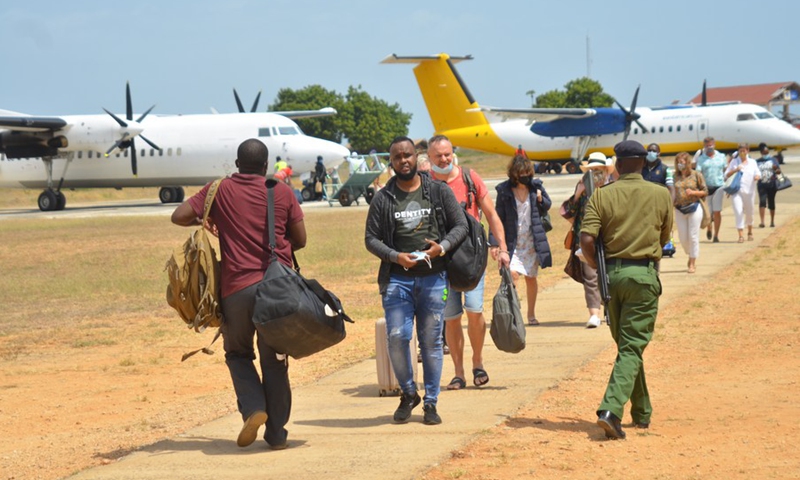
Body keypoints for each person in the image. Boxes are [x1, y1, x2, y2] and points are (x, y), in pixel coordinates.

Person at [170, 139, 306, 450]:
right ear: (265, 165)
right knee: (275, 361)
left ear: (236, 163)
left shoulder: (219, 190)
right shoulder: (281, 191)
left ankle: (254, 406)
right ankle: (277, 433)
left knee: (238, 354)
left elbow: (178, 216)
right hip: (277, 292)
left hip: (236, 291)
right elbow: (301, 240)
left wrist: (209, 219)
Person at [365, 136, 468, 425]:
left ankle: (431, 402)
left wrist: (443, 247)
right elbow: (370, 239)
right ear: (392, 162)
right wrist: (395, 256)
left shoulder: (437, 191)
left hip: (435, 278)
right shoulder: (383, 198)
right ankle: (409, 393)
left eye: (408, 155)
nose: (404, 161)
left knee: (432, 342)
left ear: (416, 155)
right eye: (397, 157)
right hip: (398, 280)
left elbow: (460, 225)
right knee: (397, 337)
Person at [579, 140, 673, 440]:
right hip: (643, 275)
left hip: (612, 278)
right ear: (644, 163)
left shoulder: (601, 196)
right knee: (632, 346)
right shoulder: (660, 194)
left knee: (627, 346)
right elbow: (665, 234)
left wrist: (598, 267)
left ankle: (642, 411)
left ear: (617, 165)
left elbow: (586, 240)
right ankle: (611, 410)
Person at [427, 135, 510, 390]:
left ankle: (478, 362)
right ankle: (459, 373)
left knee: (475, 310)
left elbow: (491, 214)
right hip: (442, 261)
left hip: (472, 256)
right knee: (451, 318)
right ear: (429, 158)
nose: (444, 159)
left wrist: (502, 248)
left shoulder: (469, 178)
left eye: (447, 154)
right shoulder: (425, 184)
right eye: (439, 156)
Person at [494, 155, 552, 326]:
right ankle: (514, 311)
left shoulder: (536, 187)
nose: (526, 176)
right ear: (514, 174)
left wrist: (541, 198)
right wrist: (495, 243)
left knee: (531, 278)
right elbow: (498, 217)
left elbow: (547, 205)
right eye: (522, 173)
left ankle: (531, 314)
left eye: (528, 173)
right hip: (513, 241)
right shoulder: (504, 191)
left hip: (531, 240)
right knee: (512, 275)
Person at [561, 152, 612, 328]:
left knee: (609, 274)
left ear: (606, 171)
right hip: (586, 237)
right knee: (590, 277)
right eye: (591, 170)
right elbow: (570, 212)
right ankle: (594, 314)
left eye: (598, 170)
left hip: (608, 237)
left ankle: (610, 309)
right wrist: (578, 194)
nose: (595, 174)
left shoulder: (612, 186)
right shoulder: (582, 186)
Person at [671, 152, 708, 273]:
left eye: (682, 162)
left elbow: (705, 191)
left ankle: (692, 262)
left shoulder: (696, 174)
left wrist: (694, 193)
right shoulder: (674, 176)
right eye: (678, 162)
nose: (680, 164)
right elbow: (671, 191)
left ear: (688, 162)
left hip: (694, 207)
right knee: (683, 237)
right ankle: (690, 252)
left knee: (693, 235)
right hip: (679, 209)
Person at [725, 144, 761, 243]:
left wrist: (757, 176)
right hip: (737, 191)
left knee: (749, 212)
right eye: (740, 151)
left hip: (749, 191)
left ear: (747, 151)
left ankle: (749, 231)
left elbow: (757, 172)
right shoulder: (734, 162)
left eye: (744, 150)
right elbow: (726, 174)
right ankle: (741, 235)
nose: (742, 153)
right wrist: (735, 169)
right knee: (738, 211)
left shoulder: (752, 162)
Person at [694, 137, 728, 242]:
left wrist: (727, 183)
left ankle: (716, 235)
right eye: (707, 145)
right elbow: (698, 173)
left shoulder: (721, 156)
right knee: (708, 212)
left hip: (719, 186)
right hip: (706, 188)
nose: (709, 147)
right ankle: (709, 227)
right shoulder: (701, 158)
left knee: (717, 211)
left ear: (714, 145)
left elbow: (726, 170)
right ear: (704, 146)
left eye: (711, 145)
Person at [756, 142, 781, 228]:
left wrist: (775, 169)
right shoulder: (757, 161)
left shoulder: (773, 160)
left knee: (771, 202)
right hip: (761, 184)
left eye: (767, 152)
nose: (766, 154)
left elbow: (779, 172)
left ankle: (772, 221)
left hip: (771, 184)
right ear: (761, 152)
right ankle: (762, 222)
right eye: (764, 152)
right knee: (762, 202)